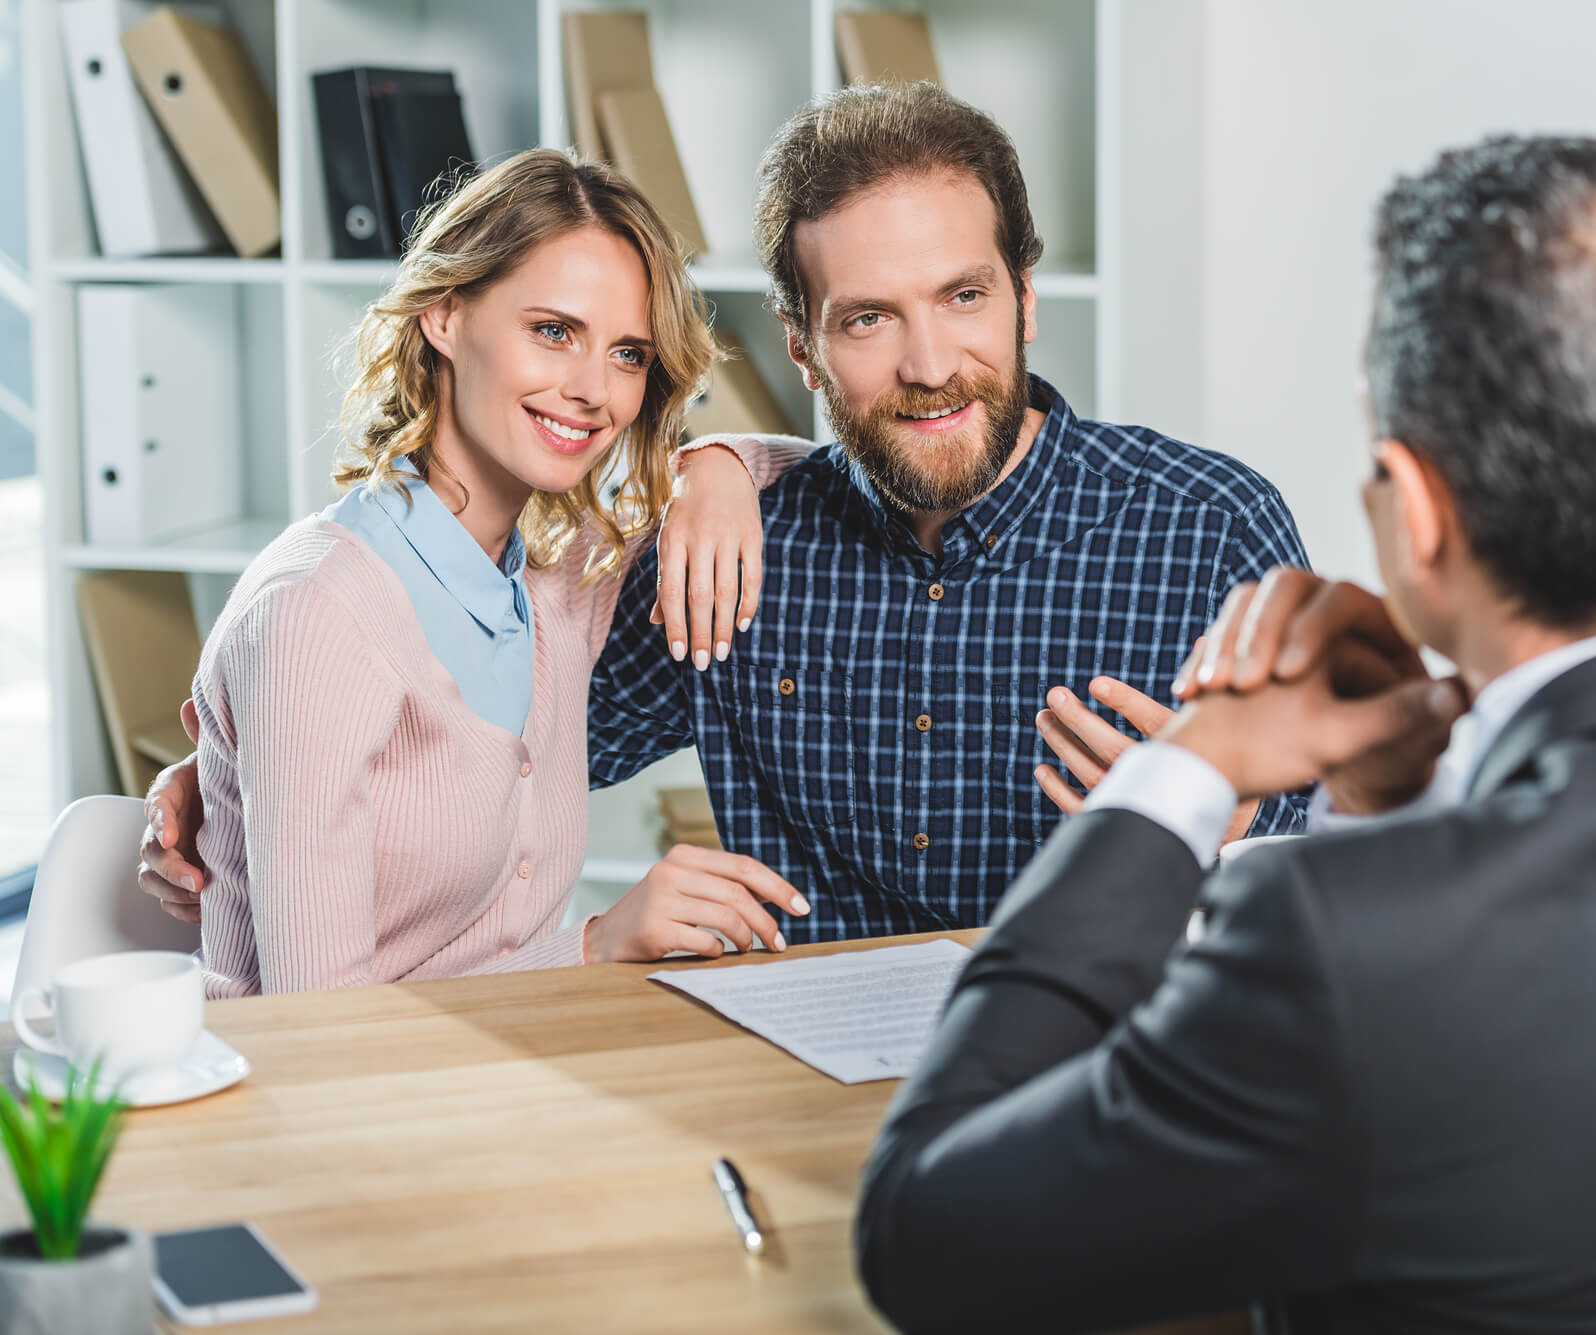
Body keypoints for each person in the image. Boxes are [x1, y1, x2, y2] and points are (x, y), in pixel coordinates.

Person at [854, 136, 1596, 1332]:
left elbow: (927, 1239)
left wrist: (1182, 771)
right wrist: (1402, 791)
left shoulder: (1339, 952)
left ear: (1412, 508)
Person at [142, 84, 1314, 945]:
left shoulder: (1208, 531)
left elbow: (1343, 872)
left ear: (1023, 299)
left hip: (1099, 1080)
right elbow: (489, 763)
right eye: (865, 320)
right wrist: (236, 774)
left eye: (963, 296)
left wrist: (1231, 835)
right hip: (779, 1087)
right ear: (801, 350)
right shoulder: (739, 550)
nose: (927, 363)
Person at [188, 150, 811, 996]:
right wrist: (593, 946)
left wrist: (713, 466)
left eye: (628, 354)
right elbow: (320, 1028)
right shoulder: (317, 613)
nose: (592, 390)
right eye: (553, 331)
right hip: (318, 1108)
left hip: (501, 1080)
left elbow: (813, 479)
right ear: (444, 315)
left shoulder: (555, 582)